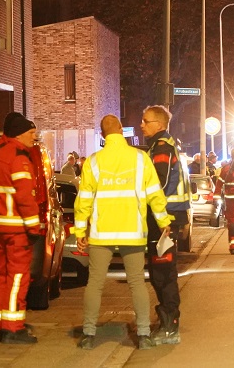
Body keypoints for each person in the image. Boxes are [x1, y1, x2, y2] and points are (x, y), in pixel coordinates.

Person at [74, 115, 173, 351]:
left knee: (95, 283)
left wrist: (80, 231)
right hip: (133, 231)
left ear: (102, 134)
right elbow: (154, 194)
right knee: (137, 283)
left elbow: (84, 199)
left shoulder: (93, 162)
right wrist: (163, 221)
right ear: (121, 130)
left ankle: (88, 333)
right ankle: (144, 334)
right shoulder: (140, 158)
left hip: (102, 233)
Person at [0, 112, 42, 345]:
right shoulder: (19, 157)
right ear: (20, 134)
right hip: (16, 231)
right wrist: (34, 228)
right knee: (17, 278)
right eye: (31, 133)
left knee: (1, 276)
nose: (34, 137)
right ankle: (13, 328)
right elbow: (25, 197)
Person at [140, 105, 192, 346]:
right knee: (161, 273)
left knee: (163, 275)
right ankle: (167, 322)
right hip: (168, 219)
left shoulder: (161, 149)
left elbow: (156, 186)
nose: (142, 124)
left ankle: (170, 326)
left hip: (165, 221)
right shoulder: (164, 146)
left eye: (146, 121)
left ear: (159, 125)